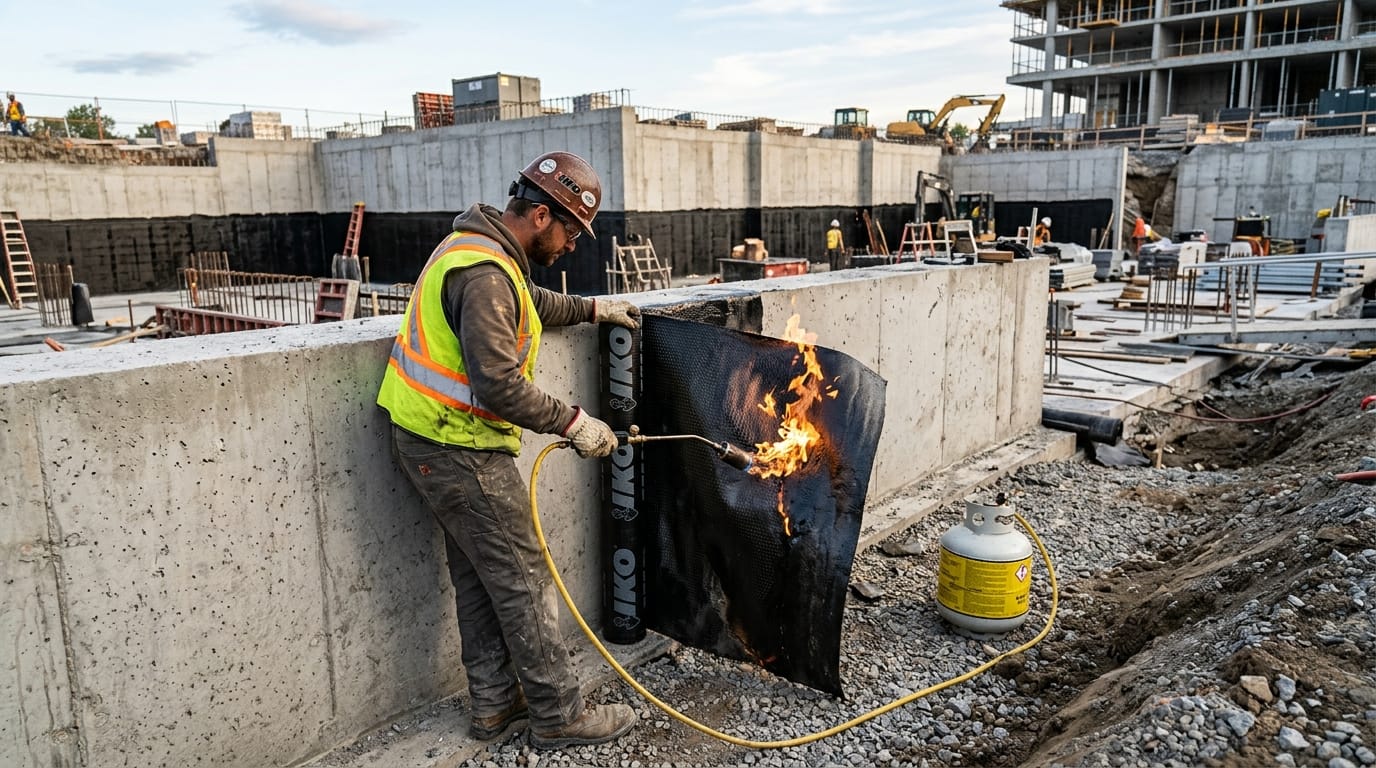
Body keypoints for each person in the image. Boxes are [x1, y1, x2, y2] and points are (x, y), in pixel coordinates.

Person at [376, 150, 641, 750]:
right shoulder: (486, 274)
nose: (573, 245)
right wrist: (574, 422)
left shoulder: (482, 249)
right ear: (543, 215)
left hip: (430, 438)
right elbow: (497, 383)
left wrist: (593, 309)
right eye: (572, 230)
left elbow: (530, 303)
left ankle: (495, 704)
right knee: (525, 579)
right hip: (456, 446)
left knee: (478, 578)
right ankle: (559, 712)